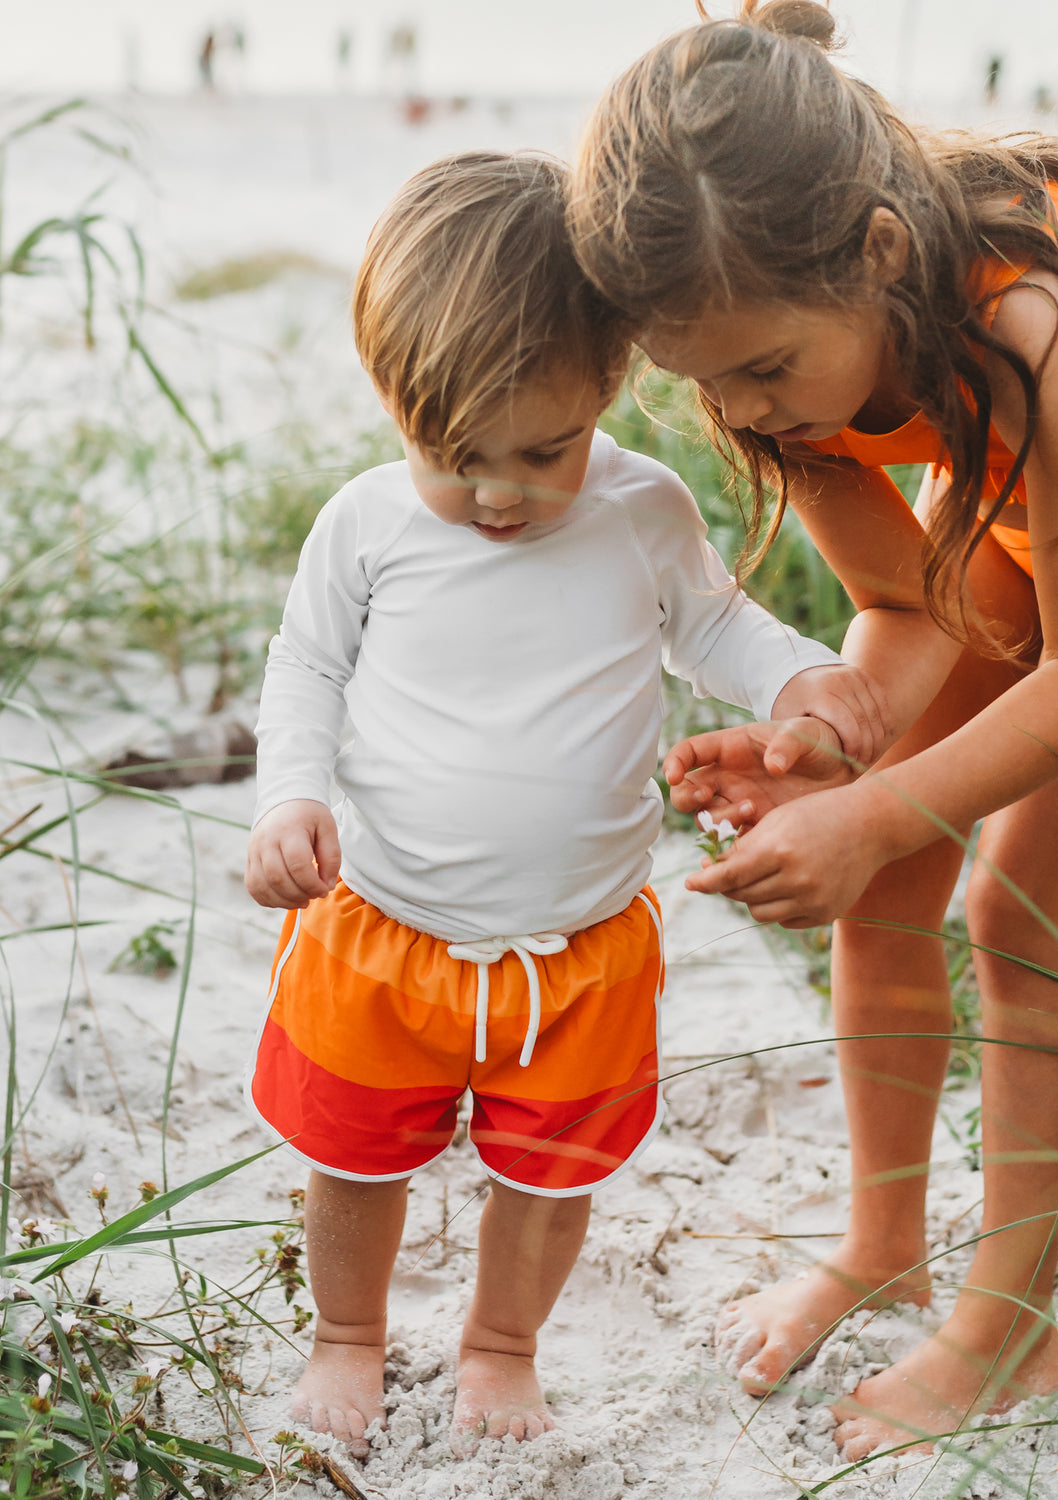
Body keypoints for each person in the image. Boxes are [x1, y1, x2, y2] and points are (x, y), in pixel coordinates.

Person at [567, 0, 1058, 1462]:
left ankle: (1008, 1327)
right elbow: (910, 614)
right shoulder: (785, 359)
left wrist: (879, 814)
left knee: (1017, 898)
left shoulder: (1042, 322)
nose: (739, 407)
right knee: (897, 869)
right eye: (704, 379)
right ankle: (884, 1241)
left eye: (765, 370)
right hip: (1011, 479)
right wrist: (846, 734)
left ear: (880, 254)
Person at [242, 149, 889, 1459]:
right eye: (450, 455)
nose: (494, 493)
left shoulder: (642, 513)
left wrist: (808, 675)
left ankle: (501, 1343)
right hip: (384, 930)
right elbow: (306, 668)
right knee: (355, 1163)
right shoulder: (367, 527)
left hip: (578, 956)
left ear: (611, 383)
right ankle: (348, 1336)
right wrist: (291, 796)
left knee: (549, 1179)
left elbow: (718, 625)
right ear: (391, 408)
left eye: (543, 451)